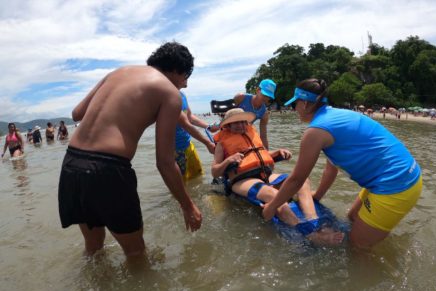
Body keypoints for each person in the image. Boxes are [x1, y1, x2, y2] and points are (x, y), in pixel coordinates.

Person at [58, 42, 202, 258]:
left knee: (94, 249)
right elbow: (164, 161)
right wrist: (188, 205)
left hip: (71, 165)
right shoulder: (169, 93)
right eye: (185, 77)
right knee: (136, 254)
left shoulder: (118, 72)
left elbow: (77, 113)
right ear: (176, 70)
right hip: (107, 170)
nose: (185, 85)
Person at [263, 78, 422, 249]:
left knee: (357, 245)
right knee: (352, 217)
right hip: (406, 173)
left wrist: (272, 206)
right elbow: (331, 170)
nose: (295, 110)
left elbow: (297, 179)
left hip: (395, 186)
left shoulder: (315, 132)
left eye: (295, 105)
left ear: (304, 103)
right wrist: (317, 197)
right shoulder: (337, 115)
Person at [211, 108, 344, 246]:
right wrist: (228, 160)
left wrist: (278, 152)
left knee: (302, 181)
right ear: (227, 125)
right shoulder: (221, 143)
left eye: (243, 122)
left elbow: (261, 154)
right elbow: (215, 171)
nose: (241, 125)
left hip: (266, 176)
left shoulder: (251, 134)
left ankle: (313, 220)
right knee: (274, 195)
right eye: (235, 123)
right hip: (242, 180)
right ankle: (307, 232)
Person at [175, 89, 215, 180]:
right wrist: (208, 143)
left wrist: (208, 126)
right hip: (175, 150)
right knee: (182, 183)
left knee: (198, 177)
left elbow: (189, 117)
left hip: (188, 144)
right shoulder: (168, 95)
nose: (187, 76)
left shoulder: (182, 95)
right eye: (185, 73)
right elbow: (186, 125)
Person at [233, 79, 277, 150]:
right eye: (264, 94)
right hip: (231, 129)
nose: (265, 98)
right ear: (258, 90)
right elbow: (228, 114)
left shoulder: (264, 113)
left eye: (268, 96)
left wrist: (268, 154)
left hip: (245, 132)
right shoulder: (240, 98)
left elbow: (263, 136)